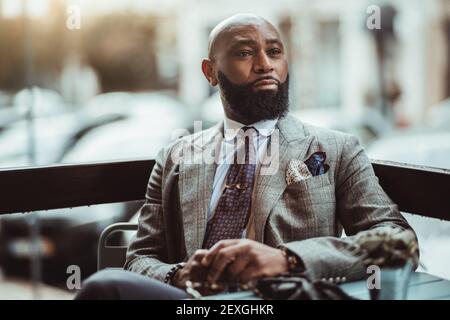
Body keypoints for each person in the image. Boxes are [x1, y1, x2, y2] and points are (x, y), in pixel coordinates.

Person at [75, 13, 416, 300]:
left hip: (276, 297)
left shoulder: (337, 148)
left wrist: (288, 260)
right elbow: (140, 259)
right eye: (244, 53)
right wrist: (179, 275)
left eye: (274, 51)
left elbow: (399, 241)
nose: (264, 65)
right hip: (192, 303)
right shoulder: (176, 156)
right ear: (210, 72)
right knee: (105, 287)